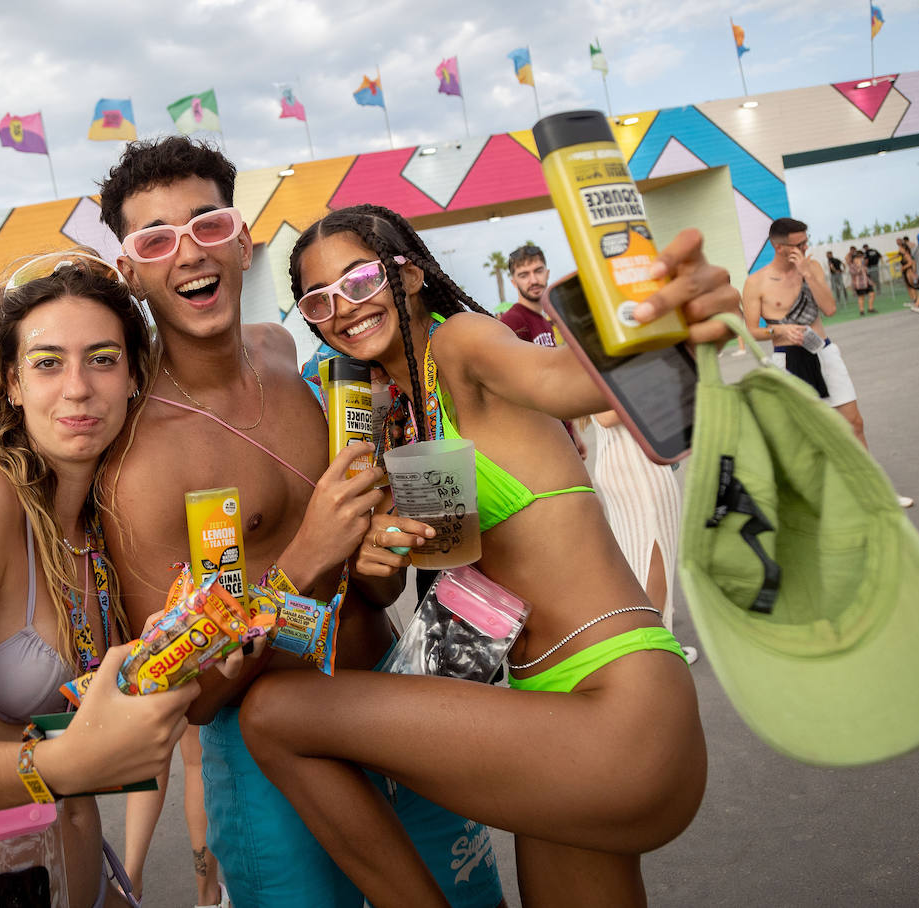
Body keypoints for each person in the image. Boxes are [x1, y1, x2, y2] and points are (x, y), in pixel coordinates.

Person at [237, 202, 738, 907]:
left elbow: (559, 379)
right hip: (552, 714)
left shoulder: (462, 344)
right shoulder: (395, 413)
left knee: (271, 714)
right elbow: (423, 573)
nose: (343, 310)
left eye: (359, 282)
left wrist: (654, 327)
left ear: (408, 275)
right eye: (319, 301)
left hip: (619, 709)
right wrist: (374, 557)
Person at [96, 138, 506, 908]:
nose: (189, 253)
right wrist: (306, 561)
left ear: (242, 236)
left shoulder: (285, 351)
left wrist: (378, 564)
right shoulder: (137, 456)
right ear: (131, 270)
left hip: (392, 697)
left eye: (207, 224)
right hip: (265, 755)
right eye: (155, 239)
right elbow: (193, 697)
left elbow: (363, 583)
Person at [0, 249, 204, 908]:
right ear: (13, 383)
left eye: (102, 358)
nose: (77, 387)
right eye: (48, 363)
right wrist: (67, 765)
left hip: (86, 879)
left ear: (134, 375)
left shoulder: (107, 524)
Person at [743, 218, 913, 507]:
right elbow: (751, 332)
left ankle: (874, 492)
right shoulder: (756, 282)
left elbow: (830, 309)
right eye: (798, 244)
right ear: (778, 246)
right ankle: (815, 501)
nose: (804, 248)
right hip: (787, 360)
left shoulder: (812, 268)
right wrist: (779, 329)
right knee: (801, 433)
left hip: (823, 351)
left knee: (854, 423)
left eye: (806, 242)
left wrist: (806, 273)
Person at [587, 412, 696, 664]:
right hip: (639, 468)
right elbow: (607, 415)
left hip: (627, 462)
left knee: (639, 559)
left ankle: (649, 646)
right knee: (653, 558)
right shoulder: (609, 371)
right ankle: (659, 655)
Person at [499, 243, 586, 458]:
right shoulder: (513, 321)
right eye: (524, 274)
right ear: (513, 281)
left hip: (562, 434)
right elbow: (515, 389)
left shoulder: (545, 321)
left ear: (547, 273)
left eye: (538, 271)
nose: (533, 280)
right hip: (540, 443)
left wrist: (573, 434)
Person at [849, 247, 875, 314]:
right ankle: (861, 311)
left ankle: (870, 308)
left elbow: (866, 273)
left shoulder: (863, 265)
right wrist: (860, 265)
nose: (859, 259)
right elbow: (856, 272)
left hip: (866, 282)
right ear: (854, 259)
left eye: (860, 258)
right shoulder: (852, 266)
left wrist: (870, 281)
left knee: (872, 294)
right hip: (859, 284)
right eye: (857, 258)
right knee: (861, 297)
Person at [896, 237, 919, 306]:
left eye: (900, 248)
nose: (899, 249)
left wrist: (904, 267)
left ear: (904, 249)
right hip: (906, 272)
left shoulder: (906, 255)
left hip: (909, 271)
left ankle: (915, 300)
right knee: (909, 286)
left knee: (911, 285)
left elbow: (911, 263)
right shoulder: (903, 256)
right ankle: (913, 300)